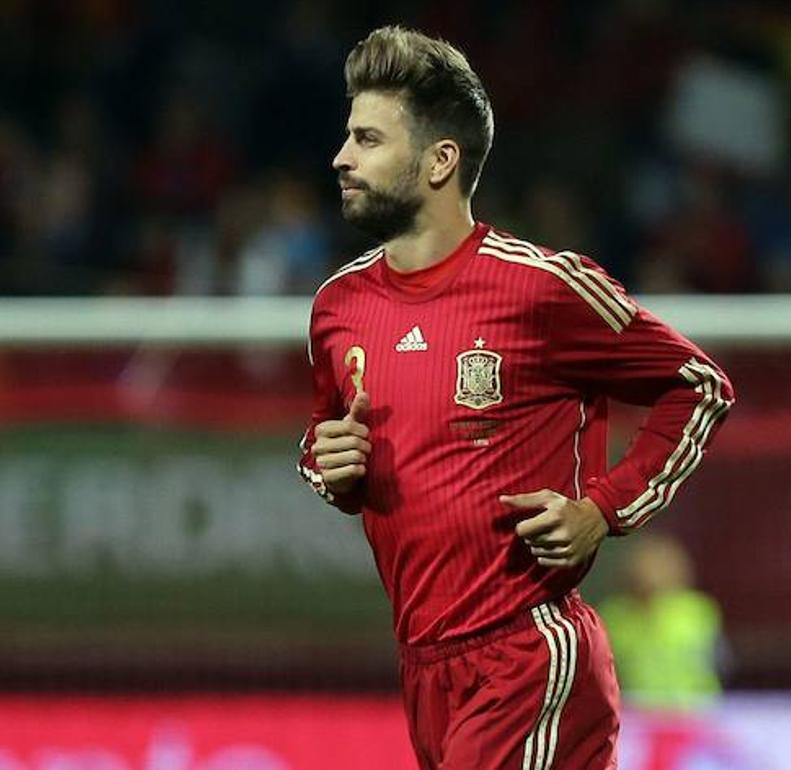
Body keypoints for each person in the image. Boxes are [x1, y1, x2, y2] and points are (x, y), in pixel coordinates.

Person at [297, 26, 735, 770]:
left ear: (440, 161)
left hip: (529, 651)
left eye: (367, 139)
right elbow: (326, 437)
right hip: (427, 668)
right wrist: (328, 464)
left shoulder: (541, 288)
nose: (342, 157)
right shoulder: (338, 307)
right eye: (348, 137)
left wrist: (603, 509)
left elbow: (697, 387)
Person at [599, 534, 727, 711]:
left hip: (695, 711)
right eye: (644, 567)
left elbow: (718, 662)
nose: (650, 574)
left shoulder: (697, 610)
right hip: (637, 714)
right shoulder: (613, 615)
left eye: (658, 567)